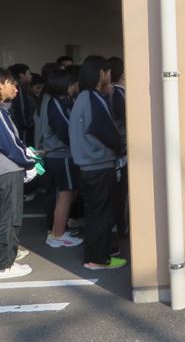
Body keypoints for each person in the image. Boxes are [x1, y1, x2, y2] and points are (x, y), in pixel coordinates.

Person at [69, 56, 126, 270]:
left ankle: (99, 254)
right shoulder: (92, 98)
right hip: (98, 165)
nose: (110, 77)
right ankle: (97, 259)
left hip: (91, 165)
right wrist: (121, 147)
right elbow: (106, 131)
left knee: (96, 212)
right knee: (101, 214)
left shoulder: (85, 97)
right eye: (108, 73)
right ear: (101, 73)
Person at [36, 69, 83, 248]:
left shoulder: (59, 102)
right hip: (61, 154)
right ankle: (57, 235)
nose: (75, 87)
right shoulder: (55, 103)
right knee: (65, 194)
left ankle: (59, 230)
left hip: (59, 154)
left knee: (67, 193)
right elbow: (65, 130)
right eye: (72, 84)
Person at [0, 67, 38, 279]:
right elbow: (9, 144)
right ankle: (5, 264)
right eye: (10, 83)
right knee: (10, 217)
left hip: (5, 170)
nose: (14, 88)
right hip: (7, 171)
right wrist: (28, 162)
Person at [108, 56, 128, 239]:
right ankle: (122, 227)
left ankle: (118, 224)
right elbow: (126, 120)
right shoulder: (119, 93)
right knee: (122, 193)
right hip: (122, 146)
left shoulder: (109, 92)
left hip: (115, 147)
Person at [9, 64, 35, 147]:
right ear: (21, 75)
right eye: (29, 73)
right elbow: (21, 111)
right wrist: (26, 125)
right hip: (22, 130)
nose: (31, 76)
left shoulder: (23, 88)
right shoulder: (18, 90)